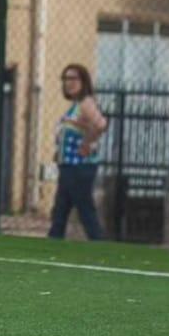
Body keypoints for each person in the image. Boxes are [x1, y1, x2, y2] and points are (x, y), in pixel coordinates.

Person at [48, 63, 108, 241]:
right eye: (66, 78)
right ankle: (53, 242)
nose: (69, 82)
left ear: (83, 81)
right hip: (68, 166)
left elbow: (100, 124)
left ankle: (99, 244)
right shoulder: (75, 105)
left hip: (79, 167)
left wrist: (87, 143)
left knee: (84, 209)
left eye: (73, 78)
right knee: (60, 210)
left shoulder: (85, 103)